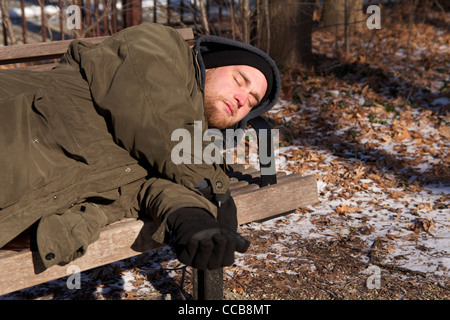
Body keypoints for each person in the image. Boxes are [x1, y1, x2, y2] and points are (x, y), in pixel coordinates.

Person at [0, 22, 280, 271]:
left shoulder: (186, 155)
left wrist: (192, 217)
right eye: (239, 80)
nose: (243, 99)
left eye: (252, 102)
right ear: (212, 64)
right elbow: (160, 118)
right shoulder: (160, 46)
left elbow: (152, 186)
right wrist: (214, 188)